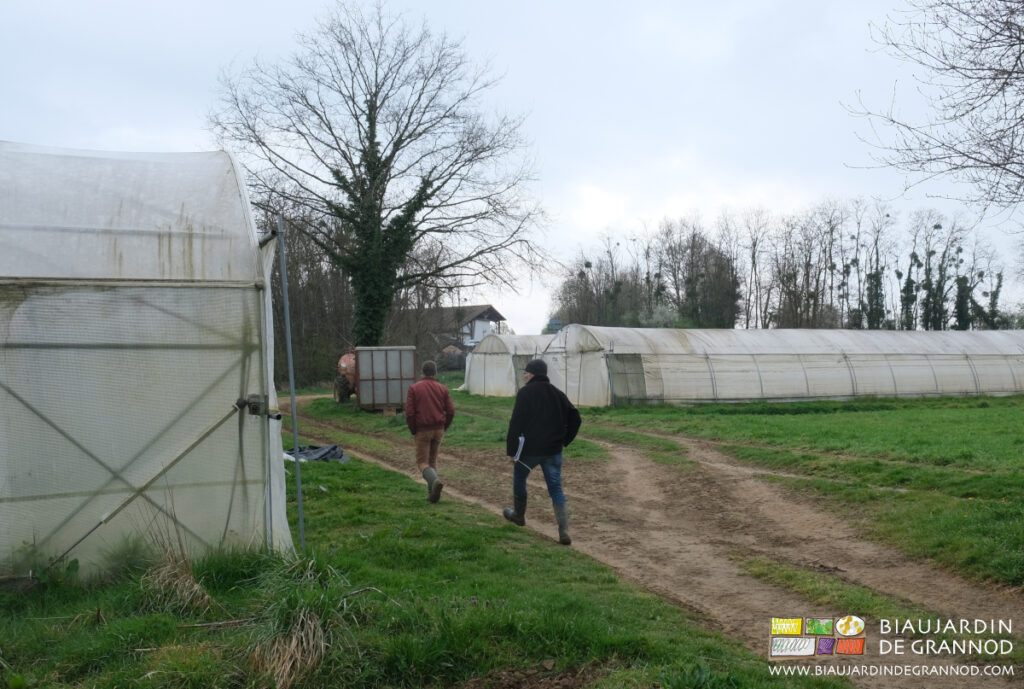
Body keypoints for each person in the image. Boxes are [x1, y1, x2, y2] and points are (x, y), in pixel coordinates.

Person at [503, 358, 581, 545]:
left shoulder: (525, 393)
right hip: (553, 450)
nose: (524, 374)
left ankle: (519, 516)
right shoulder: (558, 394)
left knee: (520, 478)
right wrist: (564, 440)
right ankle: (564, 531)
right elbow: (576, 419)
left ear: (534, 374)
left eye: (527, 372)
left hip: (529, 450)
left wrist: (512, 450)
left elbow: (516, 423)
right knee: (555, 488)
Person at [405, 360, 455, 503]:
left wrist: (413, 429)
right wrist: (444, 426)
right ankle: (433, 495)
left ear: (422, 372)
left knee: (422, 463)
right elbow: (451, 410)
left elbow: (409, 413)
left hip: (423, 430)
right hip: (438, 429)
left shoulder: (414, 388)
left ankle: (434, 484)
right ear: (435, 373)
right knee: (432, 462)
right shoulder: (442, 388)